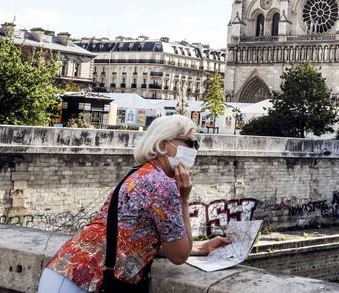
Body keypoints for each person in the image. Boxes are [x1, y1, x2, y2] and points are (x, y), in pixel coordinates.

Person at [37, 115, 229, 292]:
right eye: (189, 142)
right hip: (84, 281)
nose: (193, 149)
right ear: (163, 145)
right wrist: (184, 199)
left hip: (65, 271)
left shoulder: (138, 174)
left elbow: (137, 239)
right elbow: (179, 256)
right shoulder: (162, 185)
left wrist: (200, 248)